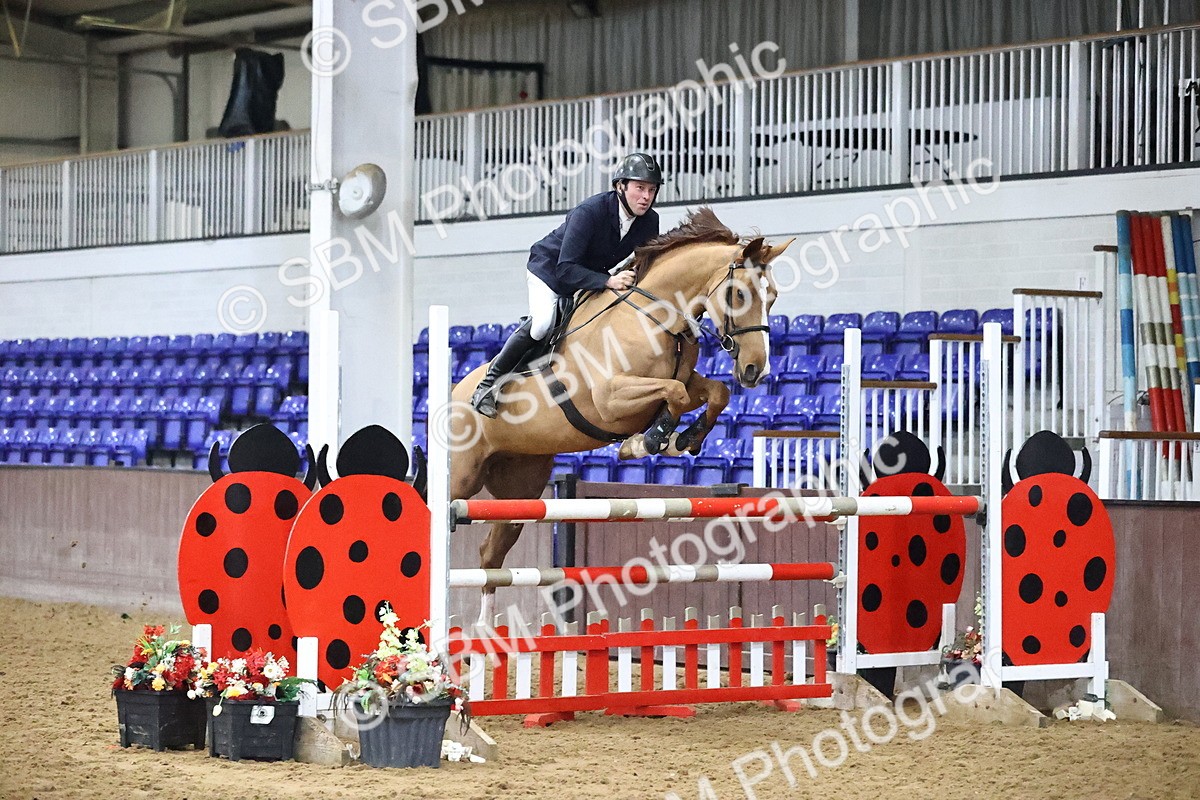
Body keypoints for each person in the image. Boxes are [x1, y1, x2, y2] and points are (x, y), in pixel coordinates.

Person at [470, 153, 665, 418]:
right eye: (639, 188)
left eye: (651, 190)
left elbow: (646, 263)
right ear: (620, 186)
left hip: (590, 277)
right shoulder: (590, 212)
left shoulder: (650, 221)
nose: (646, 197)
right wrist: (608, 281)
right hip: (550, 271)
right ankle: (488, 383)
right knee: (542, 324)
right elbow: (566, 268)